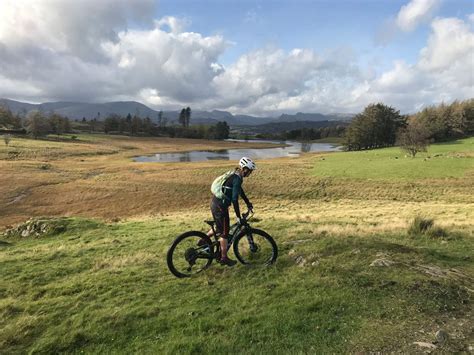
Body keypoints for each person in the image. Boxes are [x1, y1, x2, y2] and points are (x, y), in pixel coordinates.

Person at [207, 157, 256, 266]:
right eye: (250, 170)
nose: (250, 173)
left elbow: (239, 190)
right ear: (245, 169)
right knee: (225, 232)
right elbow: (234, 199)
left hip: (215, 202)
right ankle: (224, 257)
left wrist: (247, 202)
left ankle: (204, 240)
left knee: (220, 227)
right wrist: (238, 216)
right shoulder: (237, 178)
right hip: (220, 206)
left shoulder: (235, 174)